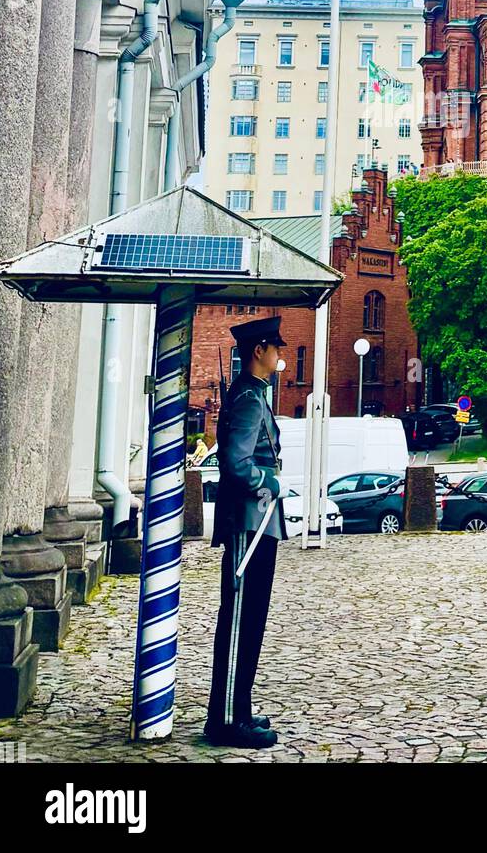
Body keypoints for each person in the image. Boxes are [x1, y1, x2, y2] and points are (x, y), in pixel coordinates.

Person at [205, 315, 287, 749]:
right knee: (239, 622)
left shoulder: (254, 394)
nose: (280, 354)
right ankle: (225, 720)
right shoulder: (250, 399)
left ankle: (239, 707)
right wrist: (267, 481)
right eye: (276, 347)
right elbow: (235, 465)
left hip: (259, 523)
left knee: (251, 621)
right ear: (259, 350)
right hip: (248, 525)